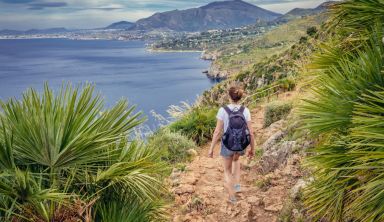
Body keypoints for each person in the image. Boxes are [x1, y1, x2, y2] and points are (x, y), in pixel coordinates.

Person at [208, 86, 255, 204]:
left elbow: (217, 132)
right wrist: (252, 149)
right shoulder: (246, 110)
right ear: (240, 97)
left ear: (229, 96)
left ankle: (232, 197)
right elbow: (251, 132)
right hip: (240, 145)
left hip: (227, 145)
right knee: (236, 160)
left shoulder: (223, 110)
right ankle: (237, 186)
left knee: (227, 171)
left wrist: (211, 148)